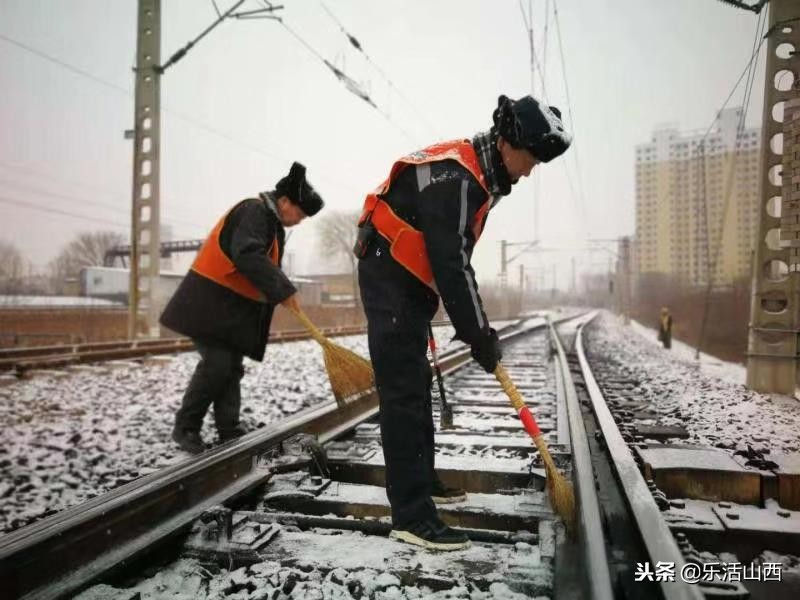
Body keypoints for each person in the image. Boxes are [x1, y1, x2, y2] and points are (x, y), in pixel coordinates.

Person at [355, 95, 571, 551]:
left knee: (416, 384)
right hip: (389, 273)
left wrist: (466, 321)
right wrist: (479, 335)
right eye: (531, 158)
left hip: (403, 278)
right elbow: (452, 264)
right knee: (405, 393)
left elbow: (453, 258)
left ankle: (421, 480)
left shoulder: (475, 172)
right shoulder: (457, 178)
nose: (530, 170)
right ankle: (411, 517)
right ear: (510, 142)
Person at [161, 162, 324, 454]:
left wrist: (280, 290)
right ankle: (185, 427)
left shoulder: (272, 224)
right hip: (207, 305)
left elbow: (261, 265)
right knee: (217, 364)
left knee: (230, 367)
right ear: (285, 202)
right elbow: (247, 254)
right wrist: (283, 289)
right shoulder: (255, 212)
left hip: (225, 311)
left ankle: (229, 430)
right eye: (299, 214)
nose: (298, 221)